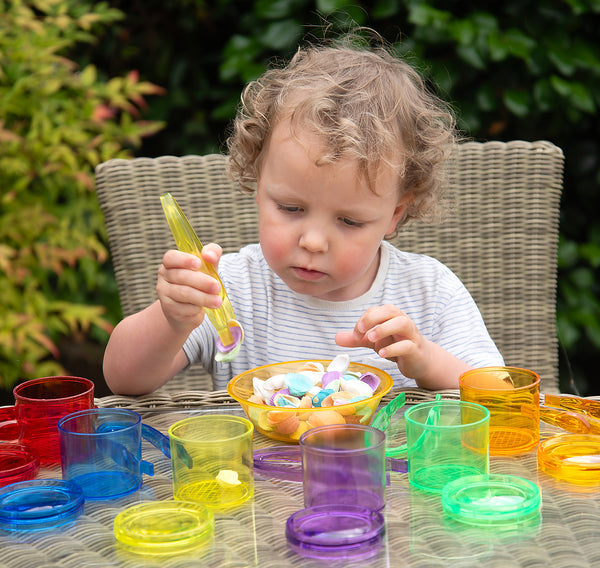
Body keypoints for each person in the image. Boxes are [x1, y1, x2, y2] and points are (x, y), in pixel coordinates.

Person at [102, 33, 504, 396]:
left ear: (395, 214)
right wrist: (172, 319)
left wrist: (426, 361)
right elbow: (123, 379)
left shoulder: (428, 292)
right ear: (258, 184)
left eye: (349, 221)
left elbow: (501, 392)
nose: (313, 241)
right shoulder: (230, 289)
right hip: (255, 477)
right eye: (291, 208)